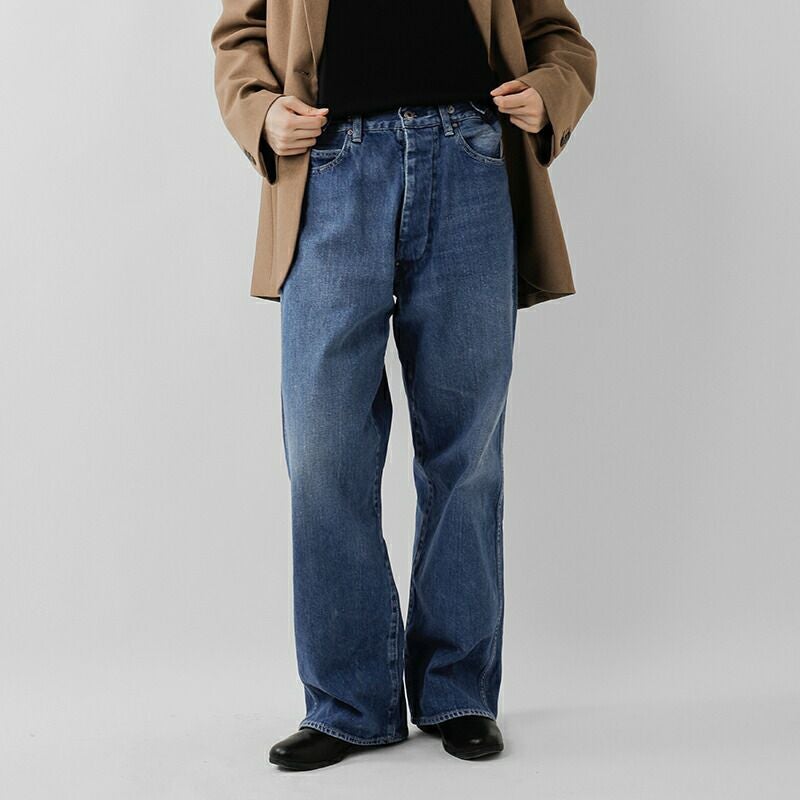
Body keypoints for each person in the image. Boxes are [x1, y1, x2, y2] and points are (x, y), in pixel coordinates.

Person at [211, 0, 596, 770]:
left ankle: (459, 691)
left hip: (468, 159)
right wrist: (260, 112)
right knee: (323, 453)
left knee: (465, 453)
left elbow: (560, 38)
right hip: (329, 167)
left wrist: (549, 92)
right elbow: (238, 37)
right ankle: (348, 703)